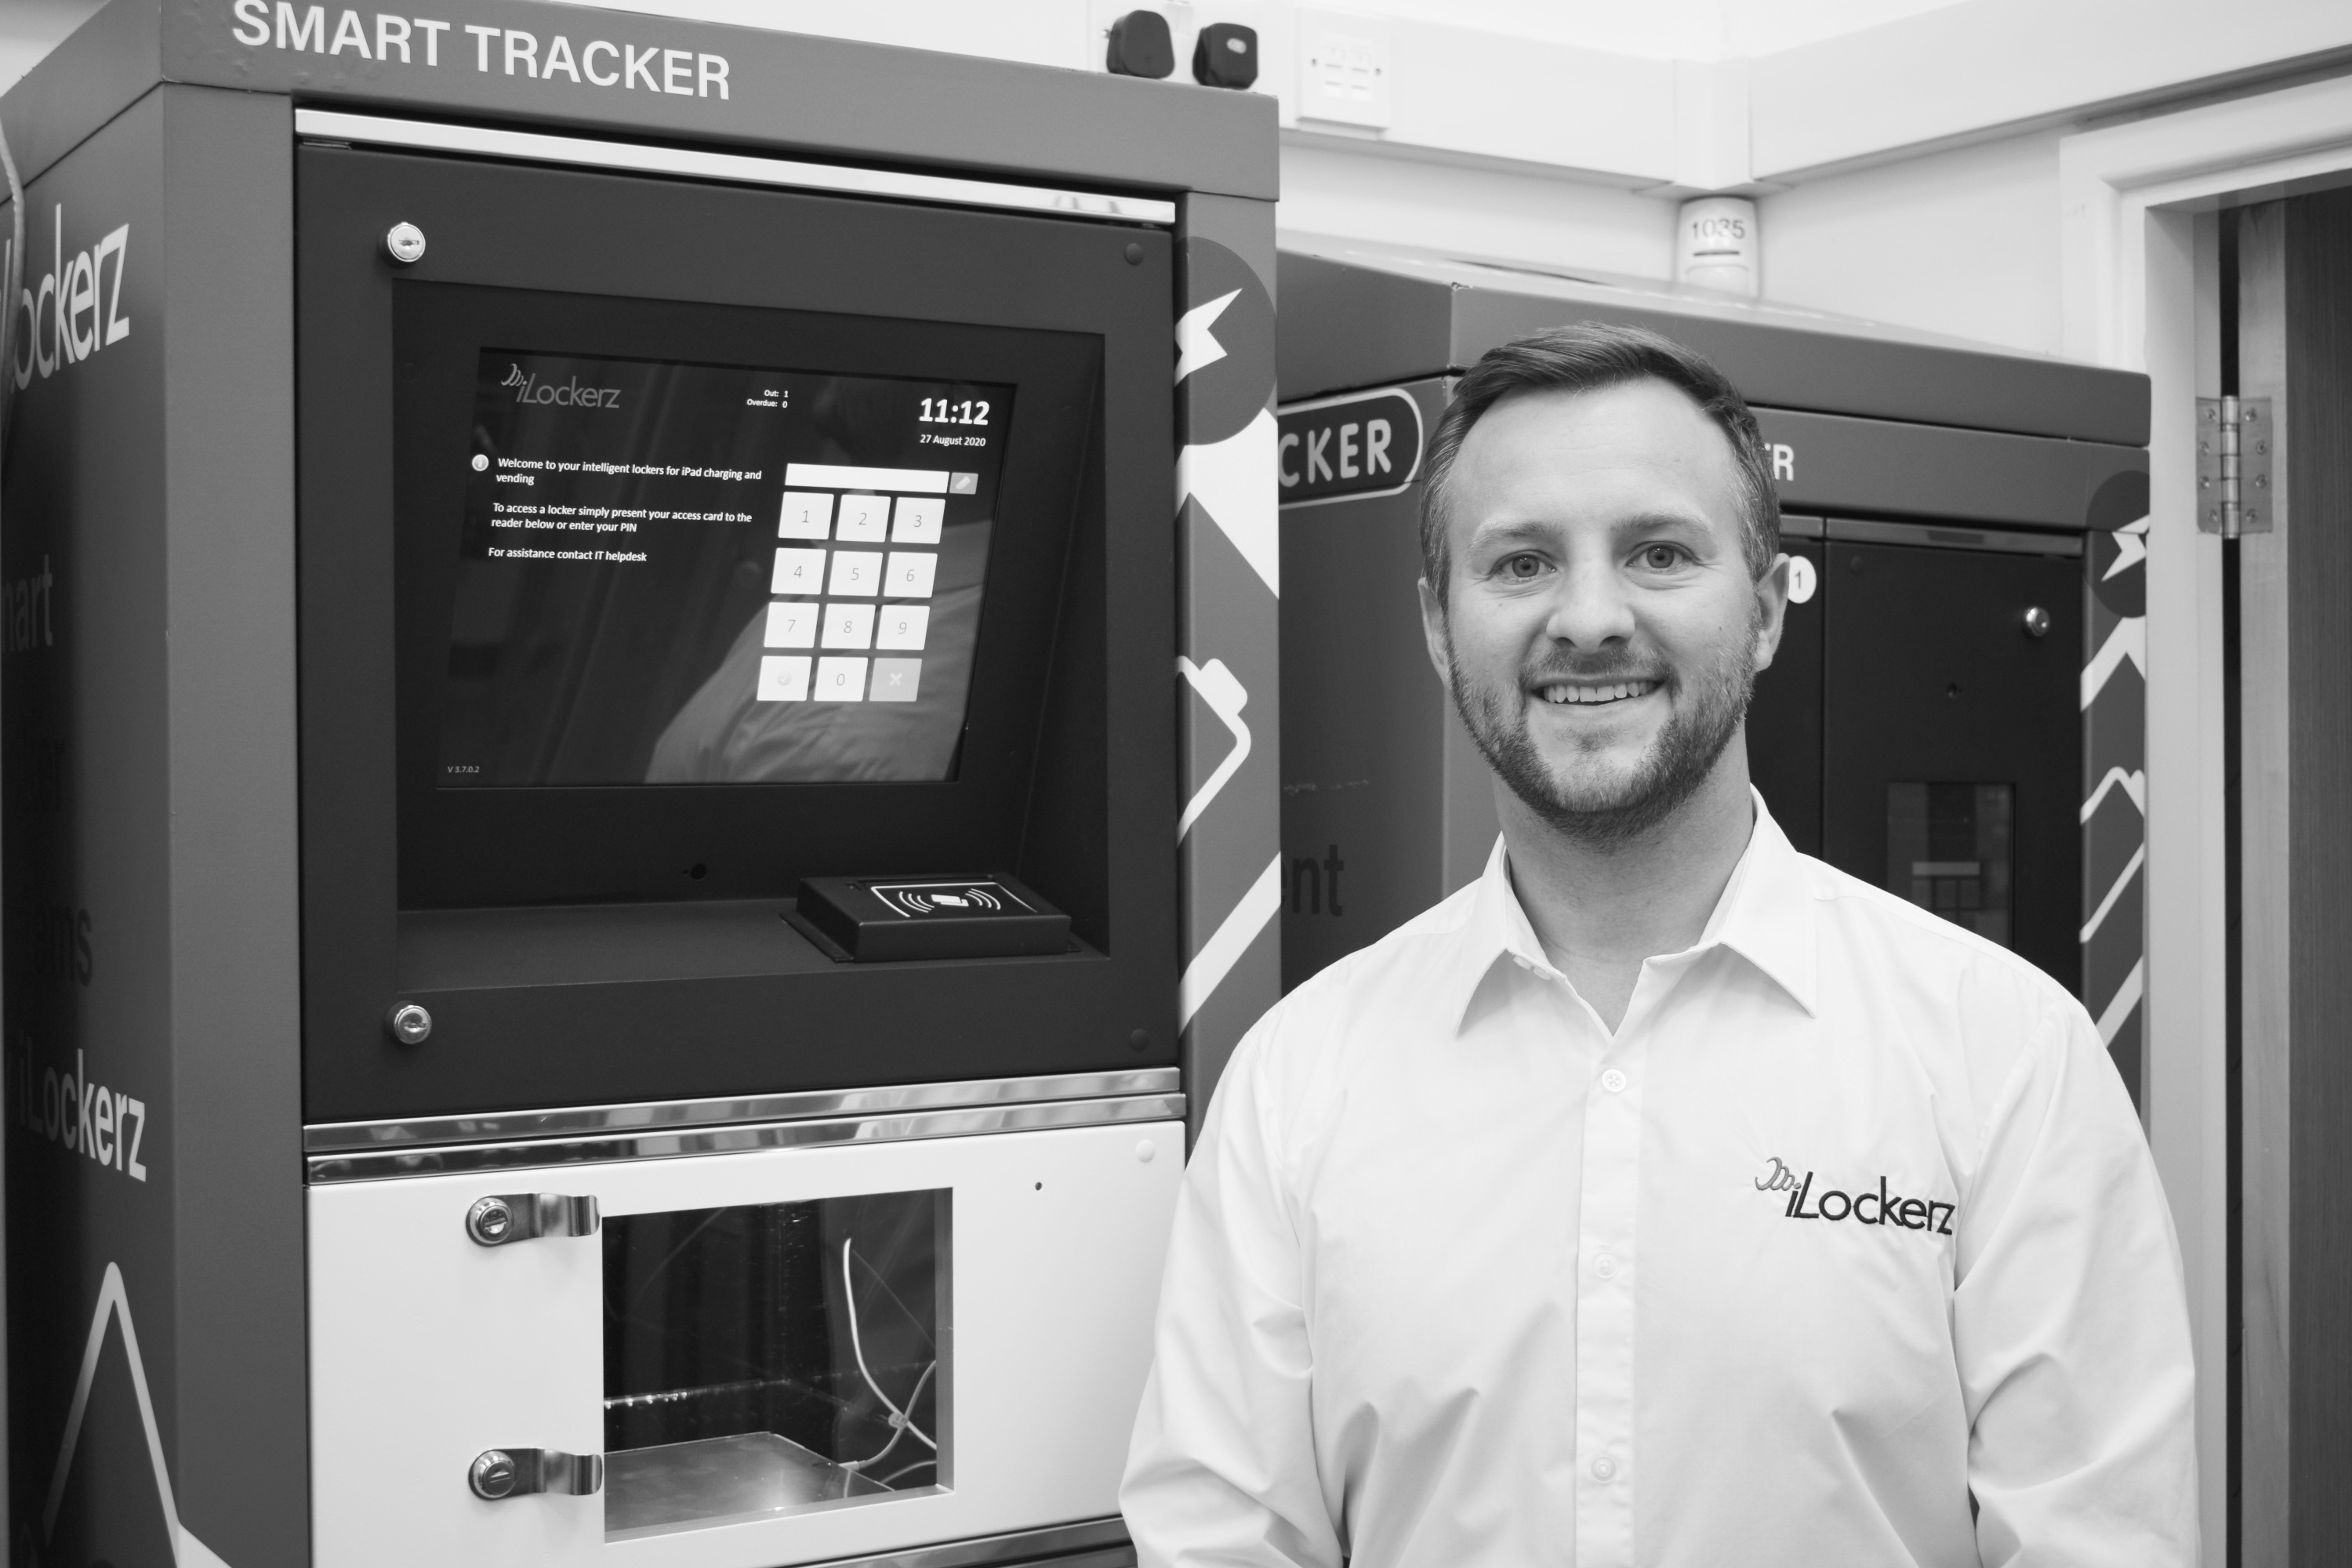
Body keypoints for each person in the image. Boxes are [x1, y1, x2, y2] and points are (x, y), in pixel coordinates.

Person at [1120, 323, 2195, 1566]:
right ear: (1436, 624)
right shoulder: (1299, 1080)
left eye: (1660, 553)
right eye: (1521, 562)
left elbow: (2103, 1542)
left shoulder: (2008, 1059)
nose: (1589, 618)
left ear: (1769, 606)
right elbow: (1221, 1543)